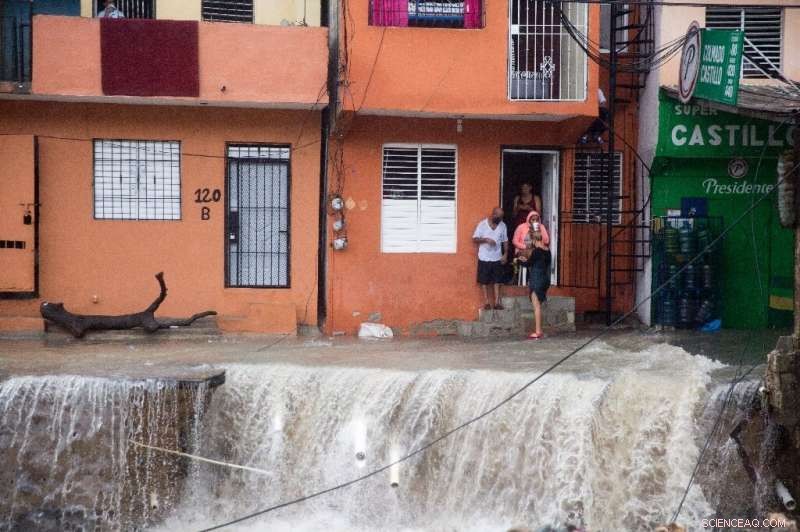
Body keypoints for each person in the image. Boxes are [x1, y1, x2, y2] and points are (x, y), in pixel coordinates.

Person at [513, 210, 551, 339]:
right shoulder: (547, 251)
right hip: (545, 279)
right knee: (539, 305)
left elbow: (527, 264)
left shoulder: (536, 252)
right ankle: (539, 329)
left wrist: (519, 260)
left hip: (536, 279)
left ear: (534, 239)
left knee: (536, 306)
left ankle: (538, 331)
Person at [472, 207, 509, 310]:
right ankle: (487, 302)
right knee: (484, 281)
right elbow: (474, 238)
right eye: (499, 216)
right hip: (484, 257)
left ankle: (497, 303)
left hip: (497, 257)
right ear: (493, 214)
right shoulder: (482, 224)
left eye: (502, 217)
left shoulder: (503, 226)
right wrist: (486, 239)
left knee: (497, 280)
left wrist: (505, 254)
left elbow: (505, 241)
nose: (500, 219)